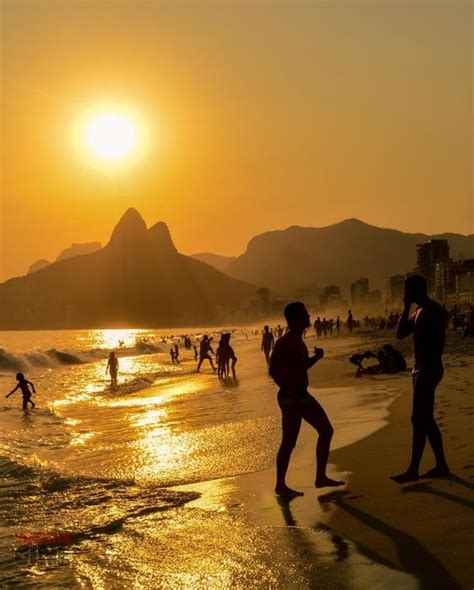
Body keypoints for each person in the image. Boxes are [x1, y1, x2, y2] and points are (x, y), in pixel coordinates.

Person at [269, 302, 344, 496]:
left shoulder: (299, 340)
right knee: (289, 442)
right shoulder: (284, 342)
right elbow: (273, 370)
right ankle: (280, 485)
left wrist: (316, 358)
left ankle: (320, 477)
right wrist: (288, 389)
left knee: (326, 431)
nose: (308, 317)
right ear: (294, 319)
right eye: (304, 315)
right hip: (290, 399)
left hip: (303, 396)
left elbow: (301, 368)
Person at [390, 275, 450, 484]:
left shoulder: (432, 310)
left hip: (428, 369)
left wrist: (427, 369)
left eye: (407, 290)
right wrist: (406, 308)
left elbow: (437, 342)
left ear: (417, 290)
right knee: (426, 418)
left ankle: (413, 469)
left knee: (418, 419)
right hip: (420, 370)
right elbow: (399, 334)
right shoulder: (418, 311)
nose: (405, 294)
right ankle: (441, 464)